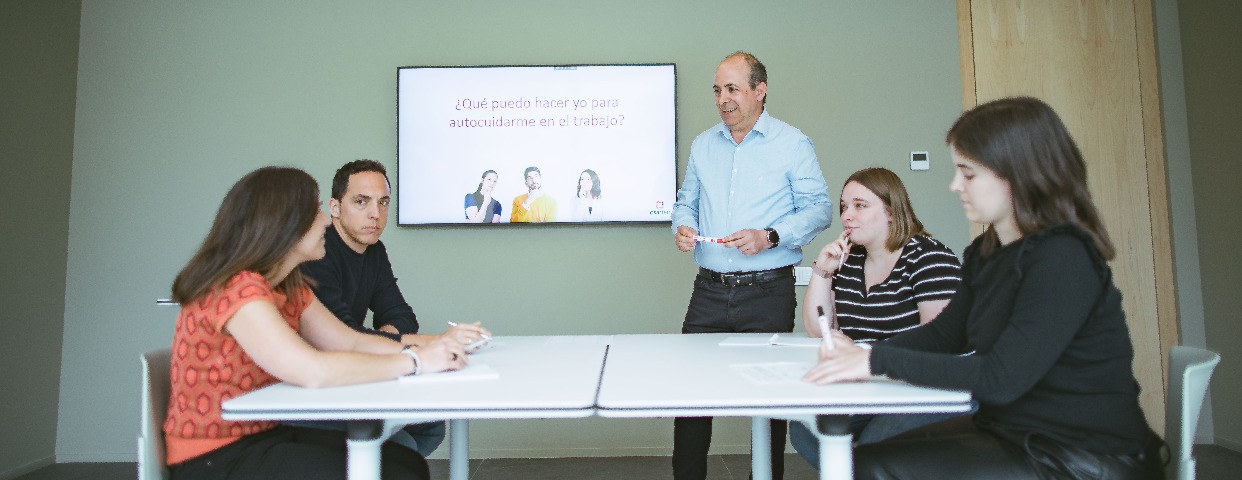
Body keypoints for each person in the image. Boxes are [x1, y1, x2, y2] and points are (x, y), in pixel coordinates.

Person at [803, 97, 1164, 479]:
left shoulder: (1063, 256)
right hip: (1015, 432)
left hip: (1081, 454)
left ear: (1018, 173)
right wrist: (863, 351)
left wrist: (874, 361)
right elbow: (946, 335)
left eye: (968, 174)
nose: (956, 186)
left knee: (875, 467)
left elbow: (1000, 378)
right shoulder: (986, 251)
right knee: (868, 458)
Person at [163, 166, 468, 480]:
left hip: (267, 432)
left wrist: (434, 346)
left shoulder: (290, 285)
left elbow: (349, 340)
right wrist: (415, 362)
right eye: (316, 211)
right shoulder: (239, 289)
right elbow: (312, 371)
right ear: (283, 224)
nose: (325, 220)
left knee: (406, 462)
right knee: (396, 472)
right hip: (216, 455)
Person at [671, 51, 832, 480]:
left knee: (768, 402)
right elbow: (685, 202)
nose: (723, 99)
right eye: (717, 90)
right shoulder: (704, 145)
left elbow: (819, 209)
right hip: (708, 290)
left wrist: (771, 236)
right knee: (690, 400)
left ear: (760, 92)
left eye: (733, 89)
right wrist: (684, 225)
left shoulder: (792, 143)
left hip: (766, 291)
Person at [300, 159, 490, 457]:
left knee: (429, 426)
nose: (375, 214)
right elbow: (343, 337)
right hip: (318, 387)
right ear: (334, 208)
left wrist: (381, 340)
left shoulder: (374, 250)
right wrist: (427, 343)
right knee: (402, 447)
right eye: (361, 202)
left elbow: (401, 315)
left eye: (383, 202)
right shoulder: (317, 252)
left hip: (351, 368)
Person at [788, 167, 964, 468]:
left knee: (875, 444)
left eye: (860, 205)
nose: (847, 216)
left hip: (923, 388)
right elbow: (818, 330)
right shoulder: (851, 260)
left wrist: (867, 357)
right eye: (844, 207)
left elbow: (940, 344)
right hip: (871, 383)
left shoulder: (929, 258)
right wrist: (824, 270)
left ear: (892, 212)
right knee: (807, 428)